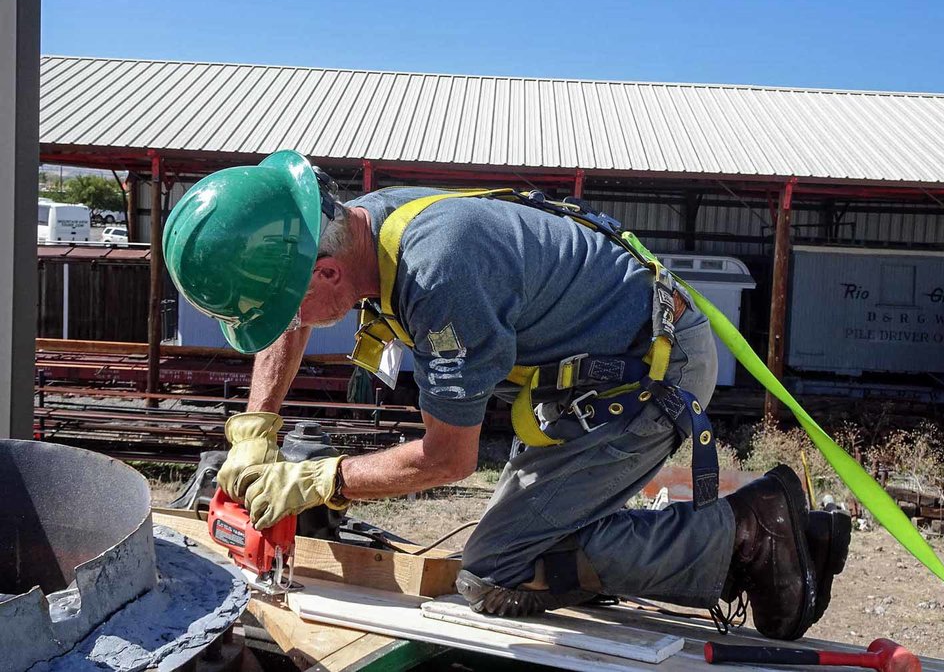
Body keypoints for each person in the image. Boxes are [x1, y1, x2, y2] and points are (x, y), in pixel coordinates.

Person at [163, 150, 849, 640]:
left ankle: (752, 529)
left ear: (329, 271)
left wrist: (320, 480)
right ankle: (731, 535)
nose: (288, 325)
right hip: (593, 375)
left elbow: (449, 459)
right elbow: (291, 319)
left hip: (651, 374)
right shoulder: (349, 224)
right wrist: (257, 424)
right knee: (526, 539)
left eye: (289, 305)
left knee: (498, 571)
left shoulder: (440, 276)